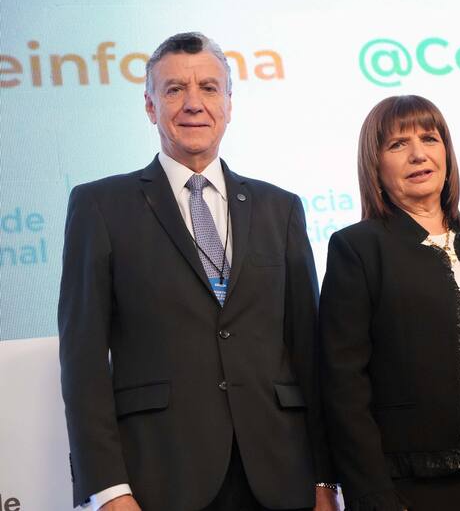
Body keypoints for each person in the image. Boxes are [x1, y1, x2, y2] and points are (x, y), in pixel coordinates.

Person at [58, 32, 338, 511]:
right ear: (150, 106)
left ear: (229, 104)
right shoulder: (100, 206)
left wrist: (325, 479)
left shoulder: (281, 208)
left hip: (281, 477)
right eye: (174, 90)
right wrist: (108, 490)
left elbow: (308, 352)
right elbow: (82, 361)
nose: (194, 103)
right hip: (161, 478)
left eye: (209, 88)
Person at [319, 95, 460, 511]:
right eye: (398, 144)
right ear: (375, 164)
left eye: (429, 138)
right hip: (428, 481)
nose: (418, 154)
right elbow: (344, 384)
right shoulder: (358, 247)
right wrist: (371, 492)